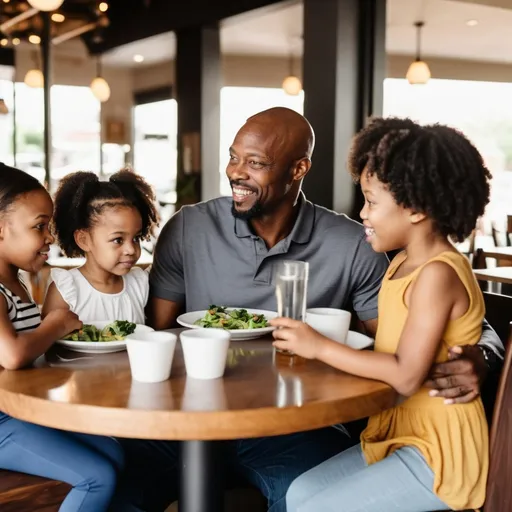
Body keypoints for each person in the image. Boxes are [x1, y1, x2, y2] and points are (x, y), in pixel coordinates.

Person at [122, 108, 502, 512]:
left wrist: (484, 354)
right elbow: (155, 335)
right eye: (234, 157)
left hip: (297, 427)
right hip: (187, 420)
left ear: (298, 168)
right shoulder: (189, 228)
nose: (236, 171)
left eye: (256, 162)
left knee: (301, 499)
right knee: (118, 485)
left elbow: (433, 336)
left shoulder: (358, 246)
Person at [278, 118, 490, 511]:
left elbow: (408, 376)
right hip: (403, 432)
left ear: (416, 209)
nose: (362, 212)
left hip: (440, 451)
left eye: (372, 201)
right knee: (298, 494)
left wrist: (318, 345)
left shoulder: (438, 274)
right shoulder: (403, 262)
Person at [0, 163, 125, 511]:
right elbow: (11, 355)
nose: (50, 238)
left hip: (18, 411)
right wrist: (55, 324)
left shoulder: (17, 283)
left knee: (114, 449)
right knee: (97, 476)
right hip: (1, 423)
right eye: (40, 227)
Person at [43, 169, 158, 324]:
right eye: (118, 240)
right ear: (84, 240)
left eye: (136, 238)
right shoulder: (66, 289)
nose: (131, 250)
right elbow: (48, 341)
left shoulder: (139, 283)